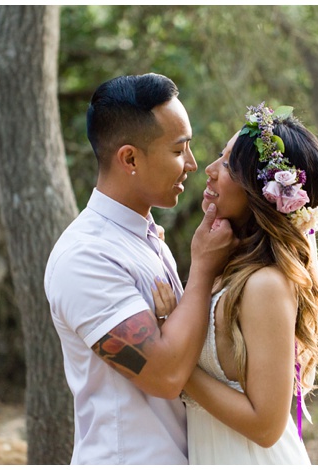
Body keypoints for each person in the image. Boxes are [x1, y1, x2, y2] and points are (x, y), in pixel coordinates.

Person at [44, 73, 238, 464]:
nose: (192, 164)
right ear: (129, 158)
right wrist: (200, 270)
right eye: (178, 150)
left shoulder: (145, 237)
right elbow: (165, 375)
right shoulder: (86, 257)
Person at [153, 102, 318, 464]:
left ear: (261, 192)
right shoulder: (229, 272)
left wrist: (175, 368)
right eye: (220, 156)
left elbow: (266, 427)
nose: (210, 170)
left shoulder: (266, 284)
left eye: (229, 165)